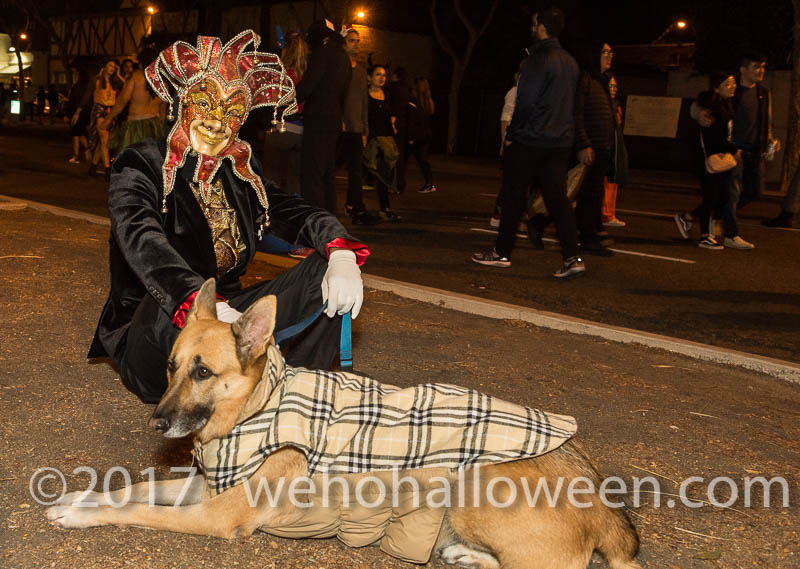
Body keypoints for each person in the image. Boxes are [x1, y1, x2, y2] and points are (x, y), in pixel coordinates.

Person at [88, 30, 369, 405]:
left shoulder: (240, 169)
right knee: (166, 297)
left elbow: (291, 209)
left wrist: (340, 252)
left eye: (233, 112)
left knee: (322, 269)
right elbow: (141, 240)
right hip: (153, 337)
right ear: (182, 102)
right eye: (205, 104)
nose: (217, 122)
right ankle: (231, 396)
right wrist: (204, 305)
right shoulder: (139, 164)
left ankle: (294, 393)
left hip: (229, 322)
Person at [472, 7, 583, 278]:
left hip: (531, 139)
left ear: (542, 26)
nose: (532, 28)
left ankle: (501, 252)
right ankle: (573, 256)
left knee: (513, 195)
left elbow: (526, 101)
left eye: (534, 24)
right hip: (559, 141)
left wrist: (512, 134)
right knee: (558, 200)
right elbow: (575, 105)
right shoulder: (570, 61)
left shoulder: (537, 58)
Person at [692, 53, 778, 211]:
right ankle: (729, 231)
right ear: (743, 70)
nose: (761, 71)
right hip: (733, 149)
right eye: (756, 67)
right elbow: (704, 102)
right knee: (732, 193)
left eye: (763, 67)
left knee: (755, 192)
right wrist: (699, 113)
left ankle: (708, 214)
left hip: (755, 150)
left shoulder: (764, 93)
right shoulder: (731, 88)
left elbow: (767, 118)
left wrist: (769, 139)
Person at [675, 73, 744, 249]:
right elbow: (715, 137)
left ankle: (687, 217)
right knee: (712, 197)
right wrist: (735, 150)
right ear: (716, 87)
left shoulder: (726, 105)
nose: (732, 87)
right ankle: (705, 235)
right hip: (709, 160)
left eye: (734, 83)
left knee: (721, 198)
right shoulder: (711, 107)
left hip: (720, 159)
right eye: (728, 84)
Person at [296, 20, 352, 215]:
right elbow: (344, 94)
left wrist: (287, 98)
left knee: (312, 173)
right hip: (334, 119)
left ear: (323, 37)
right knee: (327, 173)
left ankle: (314, 219)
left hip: (318, 119)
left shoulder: (322, 54)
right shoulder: (344, 58)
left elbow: (307, 87)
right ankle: (329, 217)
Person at [572, 41, 617, 256]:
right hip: (590, 147)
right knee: (583, 193)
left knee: (592, 194)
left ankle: (587, 234)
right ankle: (586, 237)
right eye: (605, 52)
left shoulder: (603, 81)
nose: (609, 56)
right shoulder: (585, 79)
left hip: (602, 147)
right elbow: (576, 113)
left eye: (610, 52)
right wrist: (583, 144)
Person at [340, 27, 379, 225]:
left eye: (358, 40)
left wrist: (365, 129)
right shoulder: (338, 67)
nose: (356, 44)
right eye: (352, 40)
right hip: (339, 129)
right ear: (344, 43)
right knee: (329, 168)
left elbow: (364, 101)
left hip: (356, 129)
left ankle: (355, 207)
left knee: (356, 172)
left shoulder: (362, 71)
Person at [262, 32, 308, 197]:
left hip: (281, 128)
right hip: (301, 131)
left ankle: (273, 213)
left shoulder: (280, 74)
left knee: (272, 178)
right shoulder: (307, 75)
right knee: (295, 180)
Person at [97, 46, 165, 154]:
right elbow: (162, 112)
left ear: (140, 62)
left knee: (131, 162)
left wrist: (108, 118)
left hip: (135, 127)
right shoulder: (162, 82)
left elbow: (122, 101)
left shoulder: (136, 77)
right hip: (155, 127)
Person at [363, 64, 402, 221]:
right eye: (378, 74)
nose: (381, 78)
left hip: (384, 140)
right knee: (360, 171)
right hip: (368, 138)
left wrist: (392, 129)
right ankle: (353, 206)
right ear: (370, 78)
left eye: (384, 75)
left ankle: (385, 208)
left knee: (383, 174)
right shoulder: (364, 95)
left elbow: (389, 117)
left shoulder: (386, 95)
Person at [73, 60, 123, 180]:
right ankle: (107, 169)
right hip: (99, 111)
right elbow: (86, 97)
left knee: (102, 142)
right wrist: (77, 113)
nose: (112, 68)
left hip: (111, 112)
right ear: (104, 66)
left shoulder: (115, 81)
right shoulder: (96, 80)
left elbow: (126, 86)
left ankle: (93, 166)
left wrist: (119, 74)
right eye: (109, 65)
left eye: (114, 66)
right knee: (104, 138)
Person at [601, 73, 627, 228]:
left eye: (615, 86)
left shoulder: (615, 105)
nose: (613, 89)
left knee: (612, 183)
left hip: (614, 147)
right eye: (611, 85)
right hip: (605, 147)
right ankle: (604, 214)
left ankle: (609, 214)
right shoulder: (604, 104)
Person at [405, 76, 436, 193]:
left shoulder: (414, 101)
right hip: (426, 135)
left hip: (416, 136)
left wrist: (410, 137)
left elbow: (412, 120)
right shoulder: (428, 102)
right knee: (423, 160)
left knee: (402, 159)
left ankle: (396, 184)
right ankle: (429, 183)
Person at [386, 67, 410, 194]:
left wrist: (392, 122)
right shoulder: (406, 89)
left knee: (390, 155)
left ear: (395, 75)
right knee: (400, 155)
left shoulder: (392, 88)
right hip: (403, 124)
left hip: (393, 124)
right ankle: (400, 183)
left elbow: (391, 106)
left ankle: (392, 183)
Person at [67, 70, 91, 164]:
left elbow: (72, 101)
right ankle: (88, 149)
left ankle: (76, 156)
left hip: (76, 113)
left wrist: (70, 114)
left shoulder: (76, 87)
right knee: (80, 133)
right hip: (86, 113)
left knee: (75, 135)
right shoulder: (88, 88)